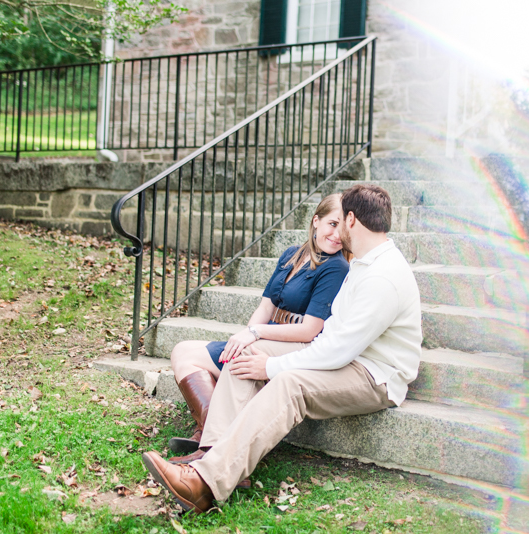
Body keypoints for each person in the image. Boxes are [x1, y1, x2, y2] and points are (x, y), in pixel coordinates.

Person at [141, 183, 422, 513]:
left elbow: (337, 352)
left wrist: (271, 367)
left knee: (290, 383)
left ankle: (204, 484)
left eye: (338, 221)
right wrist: (261, 350)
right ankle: (211, 454)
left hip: (376, 376)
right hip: (346, 356)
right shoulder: (364, 262)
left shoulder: (382, 277)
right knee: (245, 355)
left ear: (350, 220)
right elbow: (333, 338)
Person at [166, 193, 350, 456]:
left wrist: (255, 334)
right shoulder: (291, 255)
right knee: (181, 350)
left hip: (289, 345)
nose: (337, 234)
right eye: (333, 224)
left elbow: (310, 329)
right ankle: (210, 430)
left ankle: (212, 444)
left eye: (344, 227)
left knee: (198, 359)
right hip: (265, 336)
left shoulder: (336, 267)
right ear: (316, 222)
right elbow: (266, 306)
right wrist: (246, 335)